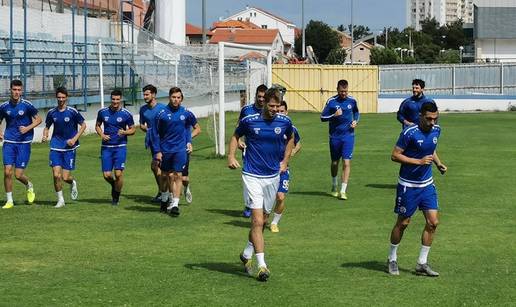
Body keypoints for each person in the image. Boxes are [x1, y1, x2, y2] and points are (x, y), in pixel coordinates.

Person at [228, 88, 294, 282]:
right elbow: (235, 136)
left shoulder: (285, 122)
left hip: (273, 176)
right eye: (271, 106)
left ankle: (247, 253)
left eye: (277, 106)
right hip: (252, 176)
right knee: (257, 220)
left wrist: (285, 160)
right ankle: (262, 266)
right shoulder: (249, 120)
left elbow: (291, 138)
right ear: (264, 103)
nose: (274, 109)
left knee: (263, 220)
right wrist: (231, 156)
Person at [387, 102, 447, 277]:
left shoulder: (437, 130)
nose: (432, 122)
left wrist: (438, 163)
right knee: (403, 223)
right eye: (428, 118)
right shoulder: (409, 133)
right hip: (408, 186)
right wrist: (418, 162)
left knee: (433, 222)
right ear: (420, 116)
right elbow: (394, 155)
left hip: (427, 184)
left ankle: (422, 263)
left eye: (435, 118)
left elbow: (431, 148)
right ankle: (391, 258)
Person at [151, 87, 200, 216]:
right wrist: (157, 151)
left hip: (180, 150)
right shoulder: (161, 113)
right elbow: (154, 134)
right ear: (169, 97)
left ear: (181, 99)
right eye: (173, 97)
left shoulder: (186, 113)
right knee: (165, 176)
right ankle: (164, 197)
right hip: (165, 150)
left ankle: (175, 205)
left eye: (178, 97)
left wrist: (188, 141)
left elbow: (191, 128)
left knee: (178, 175)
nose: (176, 100)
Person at [0, 80, 42, 209]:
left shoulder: (27, 105)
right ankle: (10, 201)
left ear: (21, 91)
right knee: (7, 172)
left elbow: (39, 119)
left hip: (24, 143)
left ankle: (29, 185)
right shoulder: (4, 106)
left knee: (18, 175)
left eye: (19, 90)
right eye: (14, 89)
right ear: (10, 90)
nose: (16, 92)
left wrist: (28, 128)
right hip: (9, 142)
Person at [42, 87, 86, 208]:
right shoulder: (52, 113)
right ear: (56, 97)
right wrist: (45, 135)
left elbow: (83, 125)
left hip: (69, 148)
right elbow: (47, 126)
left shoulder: (72, 112)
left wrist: (74, 139)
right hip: (55, 146)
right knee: (56, 175)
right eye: (59, 97)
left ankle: (73, 183)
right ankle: (60, 200)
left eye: (63, 97)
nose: (61, 99)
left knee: (65, 177)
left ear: (66, 98)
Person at [320, 79, 359, 200]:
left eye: (346, 91)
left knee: (346, 162)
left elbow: (356, 112)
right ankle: (334, 185)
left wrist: (355, 121)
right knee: (335, 162)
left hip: (348, 136)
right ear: (337, 89)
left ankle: (343, 190)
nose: (344, 93)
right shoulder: (331, 102)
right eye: (342, 91)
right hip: (335, 137)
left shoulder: (352, 100)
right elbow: (322, 117)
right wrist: (334, 115)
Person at [95, 90, 136, 205]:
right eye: (113, 99)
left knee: (118, 174)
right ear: (110, 99)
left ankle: (116, 197)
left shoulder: (126, 114)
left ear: (121, 99)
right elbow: (97, 126)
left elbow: (133, 129)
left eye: (117, 99)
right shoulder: (102, 112)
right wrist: (102, 134)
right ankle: (115, 185)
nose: (115, 101)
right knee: (107, 175)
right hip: (106, 147)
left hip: (120, 147)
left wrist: (125, 132)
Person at [269, 100, 301, 233]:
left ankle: (274, 222)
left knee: (280, 196)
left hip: (283, 168)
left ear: (286, 112)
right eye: (278, 110)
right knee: (267, 198)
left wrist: (292, 151)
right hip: (268, 168)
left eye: (282, 111)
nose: (279, 113)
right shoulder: (270, 126)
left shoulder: (291, 128)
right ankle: (261, 216)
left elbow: (298, 143)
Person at [239, 84, 268, 218]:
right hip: (249, 150)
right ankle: (248, 204)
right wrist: (239, 141)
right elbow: (238, 128)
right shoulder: (246, 110)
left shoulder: (270, 111)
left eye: (264, 97)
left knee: (263, 179)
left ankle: (260, 205)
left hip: (266, 152)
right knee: (248, 178)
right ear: (256, 96)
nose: (261, 99)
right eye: (259, 96)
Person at [139, 84, 166, 202]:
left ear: (154, 95)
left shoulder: (163, 108)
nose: (145, 96)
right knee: (157, 168)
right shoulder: (143, 110)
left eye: (147, 94)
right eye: (144, 94)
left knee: (157, 166)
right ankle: (163, 192)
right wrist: (145, 128)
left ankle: (166, 192)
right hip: (152, 142)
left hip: (164, 142)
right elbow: (141, 124)